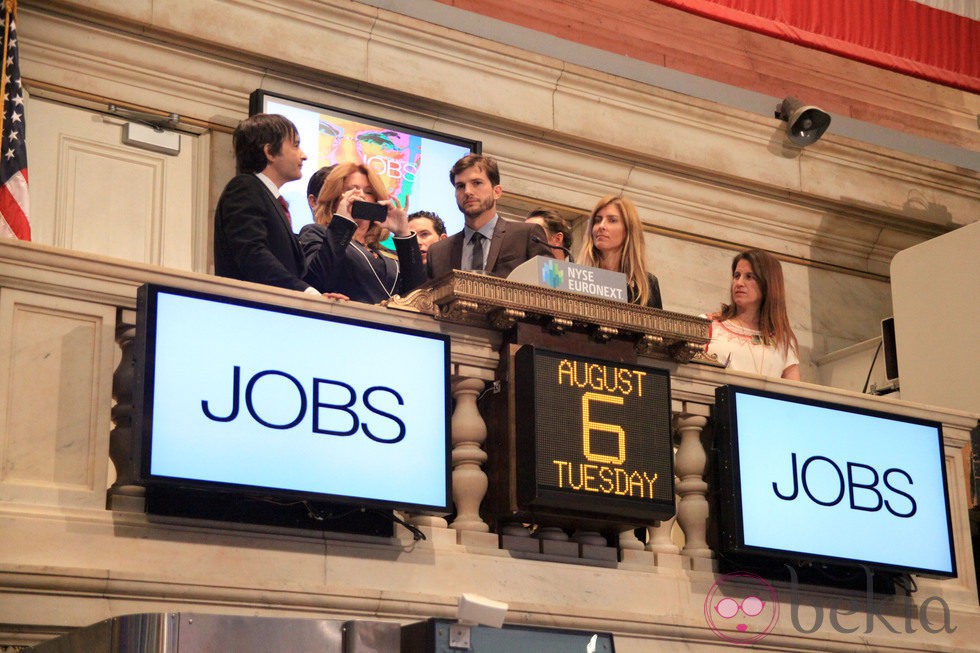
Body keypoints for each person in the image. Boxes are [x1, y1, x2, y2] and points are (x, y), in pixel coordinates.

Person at [213, 113, 324, 295]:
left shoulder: (270, 198)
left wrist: (316, 293)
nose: (304, 156)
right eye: (295, 145)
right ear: (270, 152)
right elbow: (252, 254)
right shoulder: (244, 187)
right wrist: (304, 291)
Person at [299, 162, 426, 304]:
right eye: (352, 189)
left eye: (369, 192)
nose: (361, 195)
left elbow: (417, 296)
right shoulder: (316, 233)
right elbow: (314, 280)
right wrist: (342, 221)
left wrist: (403, 234)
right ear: (334, 199)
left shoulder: (387, 254)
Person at [426, 154, 553, 279]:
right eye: (460, 186)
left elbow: (552, 288)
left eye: (476, 183)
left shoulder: (526, 235)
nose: (467, 191)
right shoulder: (438, 252)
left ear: (497, 192)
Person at [704, 249, 801, 380]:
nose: (739, 283)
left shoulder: (782, 339)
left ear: (768, 284)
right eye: (736, 275)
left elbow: (794, 393)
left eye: (749, 277)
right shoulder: (707, 324)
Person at [576, 196, 662, 308]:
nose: (601, 226)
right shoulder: (578, 277)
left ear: (628, 230)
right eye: (597, 220)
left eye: (612, 220)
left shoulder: (648, 284)